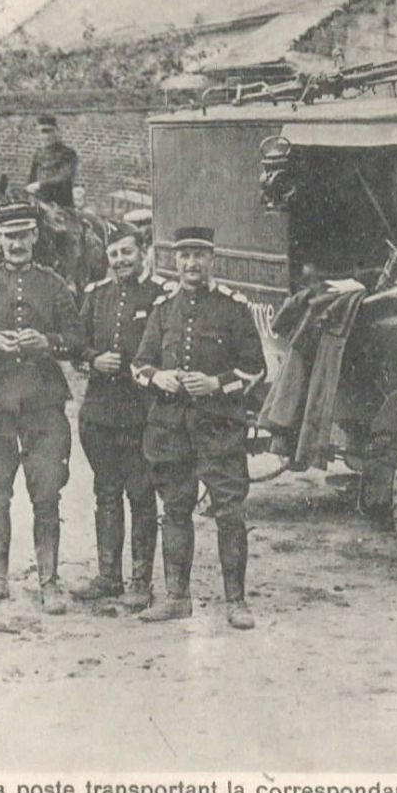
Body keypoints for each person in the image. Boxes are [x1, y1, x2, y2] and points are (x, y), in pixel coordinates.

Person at [0, 197, 84, 614]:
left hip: (43, 402)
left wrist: (49, 343)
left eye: (24, 234)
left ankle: (49, 581)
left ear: (36, 237)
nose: (17, 242)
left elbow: (77, 340)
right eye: (9, 236)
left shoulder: (55, 285)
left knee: (46, 490)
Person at [132, 226, 266, 630]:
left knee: (229, 510)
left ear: (213, 261)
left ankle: (236, 602)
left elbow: (254, 369)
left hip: (218, 425)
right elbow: (140, 365)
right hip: (171, 426)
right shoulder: (162, 309)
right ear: (175, 261)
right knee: (175, 508)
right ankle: (177, 597)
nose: (192, 264)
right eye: (185, 256)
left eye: (200, 256)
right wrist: (160, 378)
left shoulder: (233, 308)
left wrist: (215, 384)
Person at [71, 220, 171, 612]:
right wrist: (94, 359)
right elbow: (76, 344)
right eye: (113, 254)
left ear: (142, 252)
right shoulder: (96, 296)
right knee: (106, 493)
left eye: (127, 252)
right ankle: (108, 576)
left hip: (141, 413)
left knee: (142, 495)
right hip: (99, 413)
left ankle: (140, 582)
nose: (120, 260)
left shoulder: (162, 297)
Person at [25, 114, 79, 209]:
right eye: (42, 132)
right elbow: (32, 178)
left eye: (49, 132)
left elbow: (64, 176)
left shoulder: (68, 153)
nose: (46, 136)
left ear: (57, 132)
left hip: (61, 203)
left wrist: (40, 184)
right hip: (40, 201)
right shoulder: (38, 154)